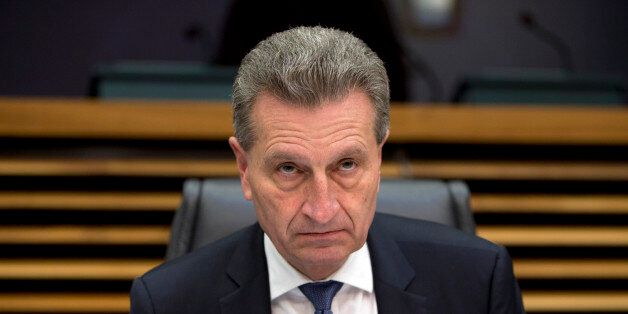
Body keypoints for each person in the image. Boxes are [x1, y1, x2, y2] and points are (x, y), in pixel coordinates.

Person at [130, 26, 524, 313]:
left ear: (379, 159)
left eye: (346, 165)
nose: (322, 210)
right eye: (289, 169)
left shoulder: (478, 284)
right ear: (245, 169)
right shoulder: (166, 302)